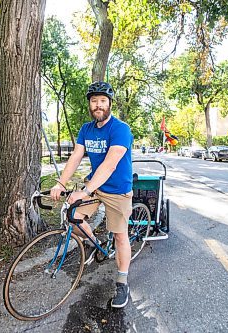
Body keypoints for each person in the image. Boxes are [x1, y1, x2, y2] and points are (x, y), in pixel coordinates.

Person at [50, 81, 133, 309]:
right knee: (73, 216)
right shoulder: (86, 129)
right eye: (94, 101)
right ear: (90, 104)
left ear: (109, 104)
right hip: (96, 186)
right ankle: (97, 245)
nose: (98, 105)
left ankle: (122, 282)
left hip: (118, 189)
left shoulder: (120, 129)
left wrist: (84, 191)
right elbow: (76, 157)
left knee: (119, 236)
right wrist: (60, 183)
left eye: (102, 101)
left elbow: (109, 165)